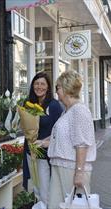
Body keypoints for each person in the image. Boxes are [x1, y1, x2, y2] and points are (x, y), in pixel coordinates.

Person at [47, 70, 96, 209]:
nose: (56, 91)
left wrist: (79, 173)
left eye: (58, 87)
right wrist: (44, 142)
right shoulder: (67, 111)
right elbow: (64, 138)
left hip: (71, 168)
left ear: (66, 88)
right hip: (60, 166)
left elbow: (82, 144)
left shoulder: (79, 110)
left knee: (74, 206)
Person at [22, 72, 63, 206]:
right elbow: (24, 125)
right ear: (33, 85)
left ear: (48, 87)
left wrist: (45, 141)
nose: (39, 87)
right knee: (35, 188)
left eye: (42, 84)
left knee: (45, 190)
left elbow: (59, 131)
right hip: (30, 151)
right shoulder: (28, 104)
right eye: (36, 83)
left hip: (44, 153)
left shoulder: (54, 105)